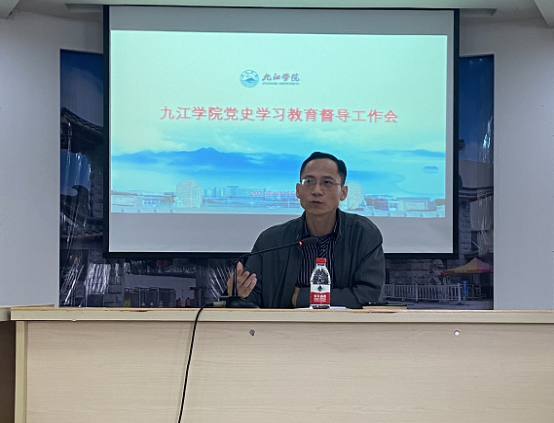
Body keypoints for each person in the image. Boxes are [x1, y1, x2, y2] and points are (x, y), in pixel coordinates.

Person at [226, 152, 385, 308]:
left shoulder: (363, 234)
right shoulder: (270, 240)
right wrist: (239, 294)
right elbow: (252, 299)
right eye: (309, 181)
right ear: (298, 190)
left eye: (327, 182)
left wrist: (303, 298)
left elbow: (370, 295)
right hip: (283, 325)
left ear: (343, 193)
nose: (317, 191)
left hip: (347, 325)